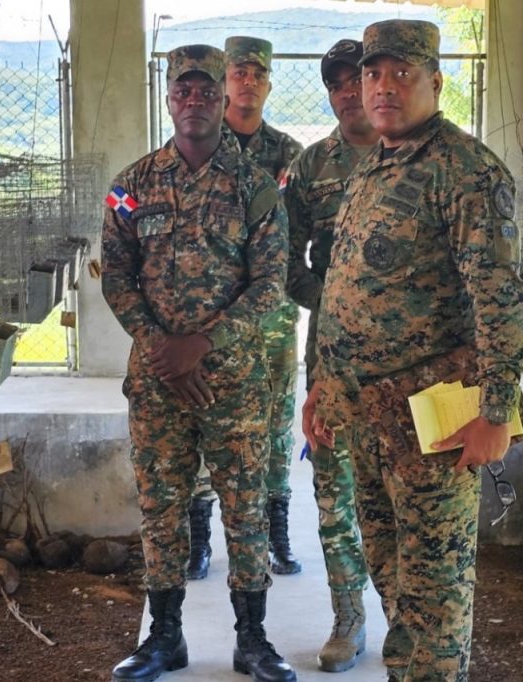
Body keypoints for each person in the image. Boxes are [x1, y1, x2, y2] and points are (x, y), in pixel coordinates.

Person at [303, 20, 523, 682]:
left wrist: (495, 413)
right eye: (373, 74)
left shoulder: (465, 171)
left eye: (402, 74)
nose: (383, 87)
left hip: (433, 421)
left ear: (435, 81)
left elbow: (499, 300)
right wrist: (323, 387)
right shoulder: (374, 165)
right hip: (364, 416)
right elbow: (344, 290)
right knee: (393, 580)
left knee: (435, 595)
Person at [103, 44, 295, 682]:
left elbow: (270, 284)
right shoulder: (130, 187)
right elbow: (117, 276)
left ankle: (253, 639)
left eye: (206, 91)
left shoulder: (255, 186)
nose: (194, 101)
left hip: (232, 381)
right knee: (161, 507)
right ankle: (165, 639)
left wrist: (203, 344)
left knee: (244, 506)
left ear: (223, 97)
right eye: (182, 91)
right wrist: (162, 348)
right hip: (158, 380)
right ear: (168, 99)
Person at [187, 35, 306, 580]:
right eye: (239, 73)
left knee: (277, 423)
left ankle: (277, 533)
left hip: (272, 317)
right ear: (224, 82)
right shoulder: (200, 144)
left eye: (258, 74)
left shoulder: (290, 154)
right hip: (209, 318)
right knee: (203, 418)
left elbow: (298, 232)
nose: (249, 82)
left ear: (268, 84)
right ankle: (200, 541)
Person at [282, 38, 377, 673]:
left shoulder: (423, 158)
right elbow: (285, 259)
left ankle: (413, 619)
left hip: (413, 361)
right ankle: (348, 617)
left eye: (356, 80)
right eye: (336, 84)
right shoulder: (312, 166)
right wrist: (335, 302)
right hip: (334, 355)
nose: (347, 92)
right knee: (334, 489)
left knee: (407, 491)